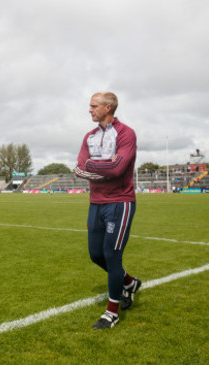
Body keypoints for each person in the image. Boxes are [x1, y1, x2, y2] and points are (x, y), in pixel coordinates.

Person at [75, 91, 142, 329]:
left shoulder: (126, 134)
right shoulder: (89, 136)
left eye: (94, 106)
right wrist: (105, 166)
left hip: (120, 202)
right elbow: (79, 169)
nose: (90, 110)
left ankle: (112, 312)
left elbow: (118, 168)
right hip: (96, 202)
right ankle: (129, 282)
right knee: (96, 254)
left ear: (108, 108)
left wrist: (94, 166)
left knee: (113, 256)